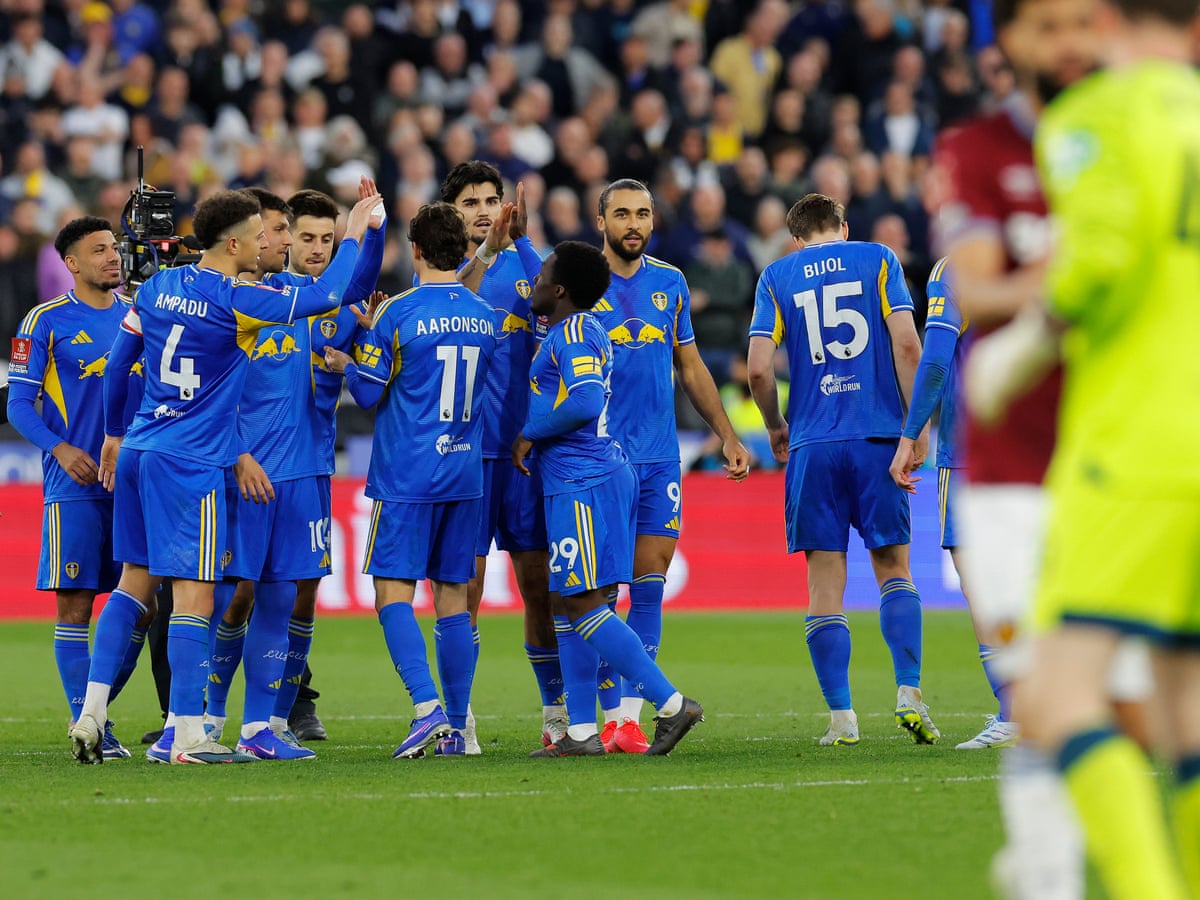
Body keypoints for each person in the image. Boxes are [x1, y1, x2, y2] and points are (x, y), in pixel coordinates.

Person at [68, 188, 378, 765]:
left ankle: (91, 711)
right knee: (194, 596)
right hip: (194, 459)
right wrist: (356, 229)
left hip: (139, 447)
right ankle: (187, 735)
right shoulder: (240, 299)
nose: (269, 243)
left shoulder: (157, 287)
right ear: (234, 243)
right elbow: (329, 294)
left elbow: (117, 363)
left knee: (134, 582)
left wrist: (113, 434)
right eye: (262, 235)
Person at [1003, 0, 1200, 894]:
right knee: (1186, 704)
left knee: (1054, 695)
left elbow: (1098, 260)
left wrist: (1016, 351)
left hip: (1140, 447)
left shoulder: (1097, 114)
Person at [197, 184, 385, 761]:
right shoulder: (248, 300)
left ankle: (263, 726)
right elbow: (210, 392)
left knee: (285, 599)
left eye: (328, 240)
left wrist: (372, 231)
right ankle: (202, 719)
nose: (313, 248)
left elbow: (355, 285)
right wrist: (234, 451)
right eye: (300, 235)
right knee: (232, 598)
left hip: (308, 475)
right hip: (249, 474)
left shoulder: (328, 308)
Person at [746, 193, 936, 747]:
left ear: (796, 238)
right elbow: (906, 344)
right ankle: (908, 693)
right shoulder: (878, 258)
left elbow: (759, 370)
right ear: (844, 228)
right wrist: (916, 426)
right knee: (893, 569)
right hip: (878, 438)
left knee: (824, 583)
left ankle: (841, 719)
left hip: (813, 445)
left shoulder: (776, 276)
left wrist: (777, 425)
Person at [513, 240, 705, 757]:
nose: (533, 281)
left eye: (542, 275)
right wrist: (522, 242)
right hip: (581, 475)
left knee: (581, 600)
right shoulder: (574, 322)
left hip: (583, 477)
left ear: (559, 290)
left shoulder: (573, 331)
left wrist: (529, 432)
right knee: (570, 599)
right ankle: (580, 731)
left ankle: (670, 704)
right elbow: (566, 276)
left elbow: (586, 400)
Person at [323, 202, 496, 759]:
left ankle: (426, 710)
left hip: (408, 474)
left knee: (393, 592)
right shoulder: (483, 313)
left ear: (416, 251)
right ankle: (460, 732)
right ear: (463, 251)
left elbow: (370, 393)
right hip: (465, 471)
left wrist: (344, 362)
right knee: (453, 599)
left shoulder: (399, 312)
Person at [589, 178, 749, 753]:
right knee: (601, 595)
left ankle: (629, 722)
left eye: (644, 214)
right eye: (623, 214)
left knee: (649, 587)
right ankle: (600, 717)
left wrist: (727, 434)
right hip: (598, 461)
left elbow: (691, 366)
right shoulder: (582, 284)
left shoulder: (671, 283)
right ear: (600, 219)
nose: (634, 224)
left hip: (659, 459)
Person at [6, 216, 146, 760]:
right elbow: (19, 405)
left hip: (136, 480)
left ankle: (95, 710)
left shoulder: (142, 314)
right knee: (75, 604)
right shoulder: (45, 321)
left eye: (114, 248)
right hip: (75, 484)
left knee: (145, 604)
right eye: (99, 250)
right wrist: (61, 449)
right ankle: (89, 724)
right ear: (71, 263)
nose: (113, 257)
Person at [438, 160, 564, 752]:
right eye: (471, 202)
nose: (485, 209)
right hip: (465, 453)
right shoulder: (449, 272)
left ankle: (557, 711)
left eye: (492, 198)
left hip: (526, 451)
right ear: (452, 213)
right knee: (465, 588)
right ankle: (459, 719)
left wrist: (524, 243)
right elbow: (444, 306)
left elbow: (566, 314)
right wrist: (487, 251)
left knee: (539, 584)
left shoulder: (527, 264)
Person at [888, 259, 1018, 749]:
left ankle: (1016, 710)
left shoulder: (957, 266)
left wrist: (909, 434)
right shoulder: (1043, 251)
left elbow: (936, 358)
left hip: (974, 451)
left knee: (982, 583)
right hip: (1040, 446)